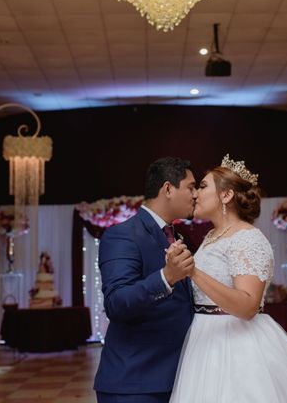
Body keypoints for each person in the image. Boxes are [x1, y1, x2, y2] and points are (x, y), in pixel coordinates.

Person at [170, 155, 287, 403]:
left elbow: (248, 306)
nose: (195, 193)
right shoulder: (211, 237)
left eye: (203, 186)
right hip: (204, 341)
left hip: (238, 345)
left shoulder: (248, 238)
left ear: (226, 195)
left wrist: (193, 271)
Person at [94, 157, 198, 403]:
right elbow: (116, 303)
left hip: (178, 378)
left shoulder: (180, 237)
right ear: (168, 189)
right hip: (135, 382)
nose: (196, 195)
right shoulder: (122, 235)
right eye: (191, 187)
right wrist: (166, 278)